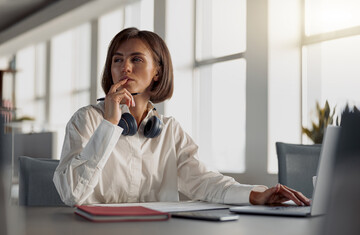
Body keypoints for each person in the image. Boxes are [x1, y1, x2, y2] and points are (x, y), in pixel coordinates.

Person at [53, 27, 310, 207]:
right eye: (117, 60)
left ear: (157, 72)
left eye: (136, 59)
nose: (124, 67)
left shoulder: (169, 131)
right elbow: (72, 194)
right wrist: (109, 124)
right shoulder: (86, 120)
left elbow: (205, 183)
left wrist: (257, 195)